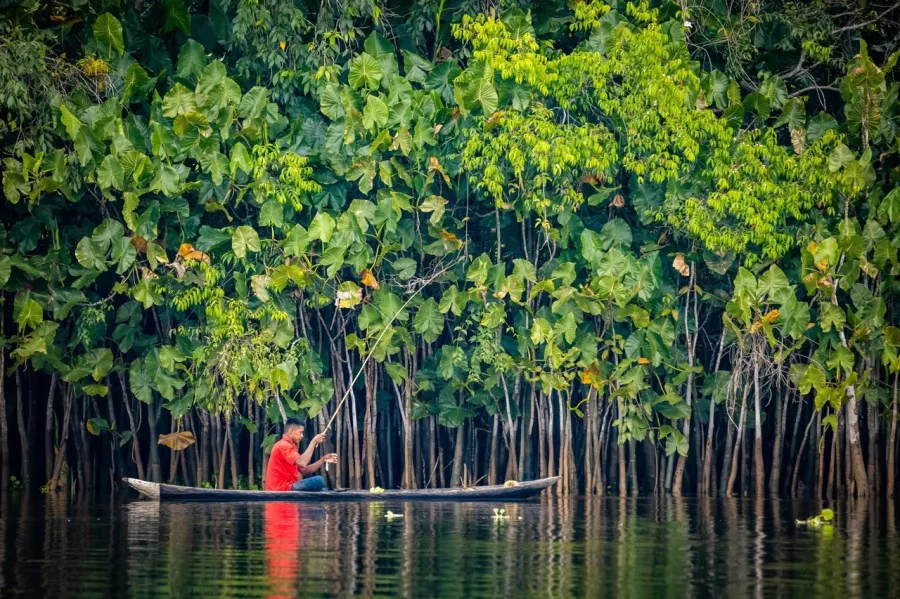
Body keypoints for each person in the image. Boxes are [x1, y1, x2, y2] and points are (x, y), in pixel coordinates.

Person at [265, 418, 337, 492]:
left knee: (323, 491)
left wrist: (323, 460)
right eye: (300, 432)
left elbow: (304, 471)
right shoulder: (283, 445)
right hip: (280, 488)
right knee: (319, 480)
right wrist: (313, 442)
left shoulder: (290, 446)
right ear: (291, 431)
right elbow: (302, 463)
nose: (302, 436)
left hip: (288, 486)